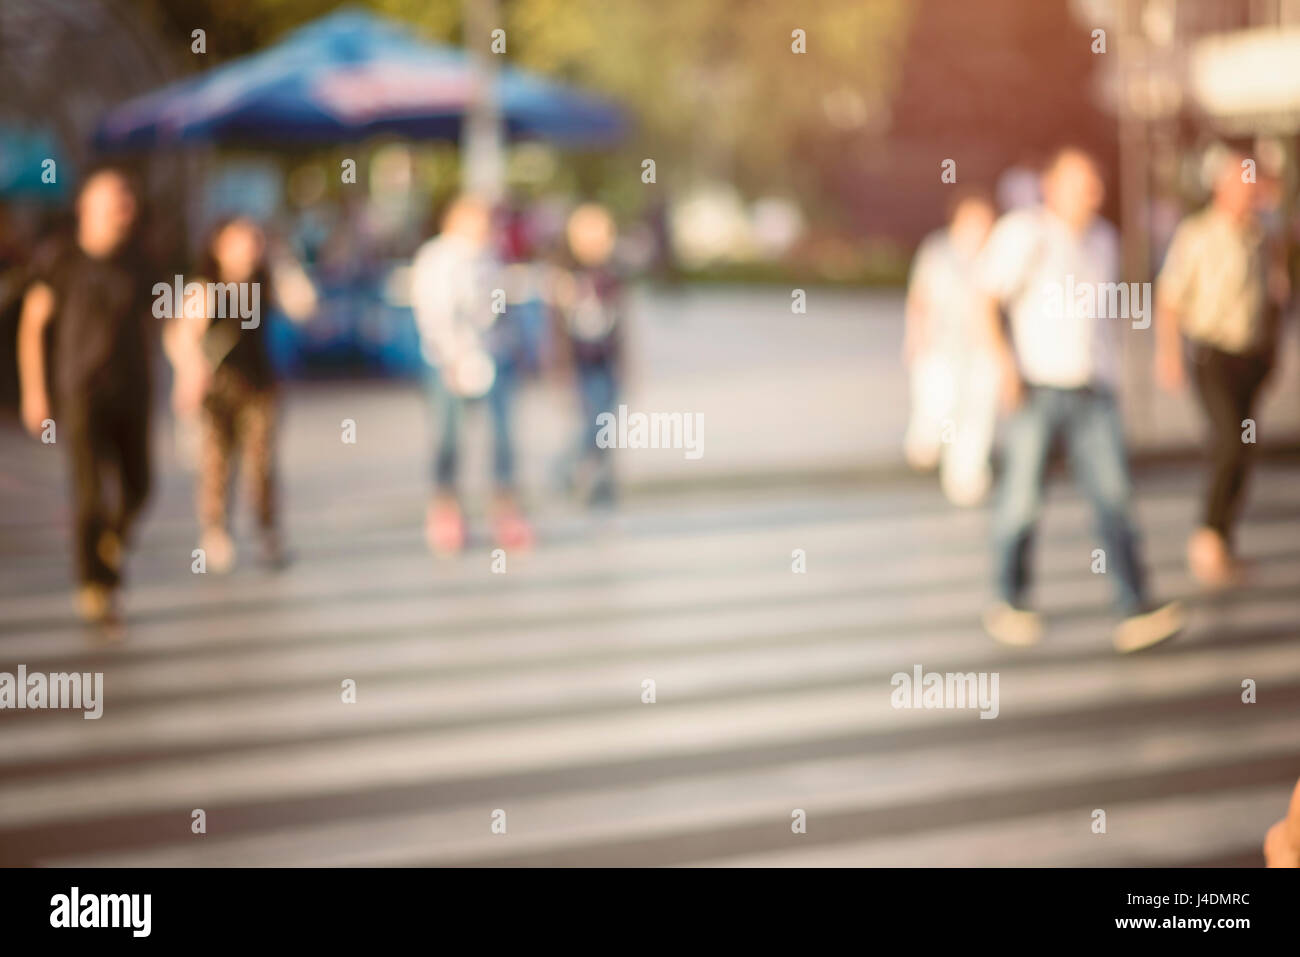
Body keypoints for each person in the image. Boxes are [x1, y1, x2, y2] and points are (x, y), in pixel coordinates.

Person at [977, 147, 1182, 653]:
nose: (1091, 193)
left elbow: (1106, 317)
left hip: (1094, 389)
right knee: (1021, 500)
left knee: (1114, 499)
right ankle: (1011, 600)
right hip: (1038, 385)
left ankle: (1134, 606)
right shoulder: (1025, 234)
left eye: (1095, 184)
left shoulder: (1105, 240)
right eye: (1079, 183)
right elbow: (983, 299)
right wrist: (1005, 369)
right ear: (1050, 187)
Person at [16, 166, 153, 629]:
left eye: (127, 200)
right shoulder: (61, 258)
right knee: (90, 495)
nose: (124, 209)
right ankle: (94, 584)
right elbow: (33, 324)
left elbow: (161, 317)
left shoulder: (139, 258)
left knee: (140, 485)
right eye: (114, 200)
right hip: (80, 393)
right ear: (86, 208)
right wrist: (35, 391)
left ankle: (111, 543)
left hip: (133, 390)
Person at [1155, 148, 1289, 587]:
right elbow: (1170, 298)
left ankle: (1223, 540)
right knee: (1230, 441)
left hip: (1251, 356)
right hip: (1212, 354)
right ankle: (1206, 537)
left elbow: (1274, 299)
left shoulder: (1261, 235)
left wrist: (1274, 353)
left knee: (1243, 450)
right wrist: (1168, 353)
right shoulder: (1196, 234)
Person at [163, 216, 317, 573]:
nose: (248, 250)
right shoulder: (204, 288)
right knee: (215, 464)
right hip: (216, 389)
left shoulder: (268, 281)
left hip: (260, 387)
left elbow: (305, 307)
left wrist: (284, 262)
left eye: (254, 241)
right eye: (238, 242)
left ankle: (267, 530)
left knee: (261, 465)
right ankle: (216, 531)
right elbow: (179, 336)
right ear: (218, 246)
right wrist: (189, 374)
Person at [411, 194, 533, 555]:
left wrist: (509, 345)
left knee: (503, 439)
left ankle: (506, 511)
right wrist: (452, 358)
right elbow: (433, 314)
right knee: (447, 439)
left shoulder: (491, 258)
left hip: (493, 358)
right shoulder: (436, 259)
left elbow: (501, 309)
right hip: (447, 363)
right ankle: (446, 512)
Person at [903, 189, 999, 506]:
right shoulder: (937, 250)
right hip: (940, 346)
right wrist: (914, 336)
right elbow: (919, 297)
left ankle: (966, 477)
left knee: (976, 414)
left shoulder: (997, 254)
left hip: (982, 349)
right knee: (940, 404)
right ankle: (926, 442)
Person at [550, 202, 627, 506]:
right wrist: (560, 367)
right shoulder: (566, 275)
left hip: (607, 360)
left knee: (606, 423)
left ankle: (602, 481)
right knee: (590, 424)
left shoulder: (613, 275)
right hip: (580, 361)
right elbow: (556, 328)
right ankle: (564, 469)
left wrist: (628, 362)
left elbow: (624, 321)